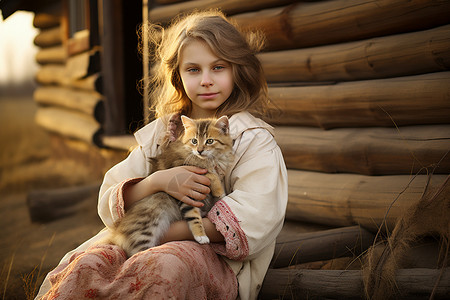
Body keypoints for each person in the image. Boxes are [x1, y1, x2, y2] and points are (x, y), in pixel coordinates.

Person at [36, 10, 287, 300]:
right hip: (142, 234)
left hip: (211, 254)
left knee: (161, 268)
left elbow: (256, 216)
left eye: (218, 67)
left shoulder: (251, 138)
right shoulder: (162, 133)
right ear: (178, 76)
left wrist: (164, 233)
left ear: (237, 70)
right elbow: (109, 199)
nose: (206, 80)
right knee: (88, 266)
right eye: (193, 69)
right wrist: (158, 182)